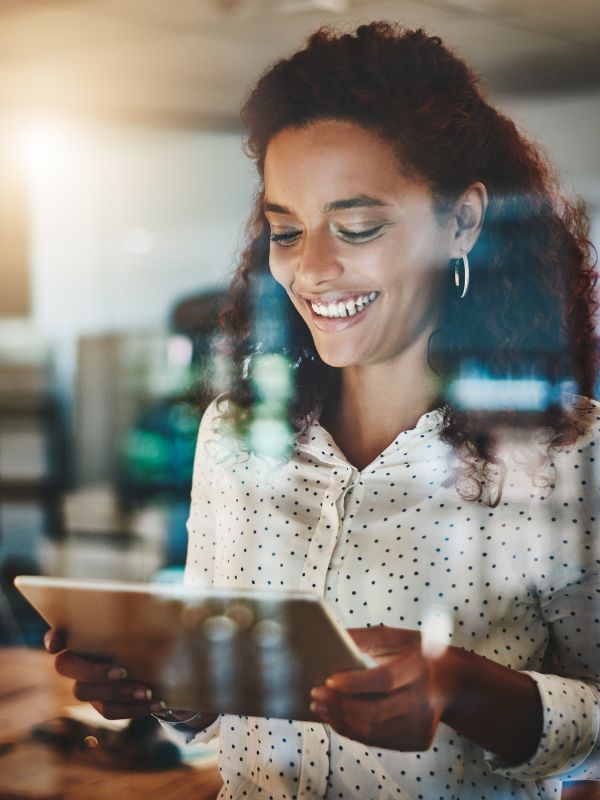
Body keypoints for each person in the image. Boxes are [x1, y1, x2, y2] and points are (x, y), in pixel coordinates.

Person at [46, 22, 600, 799]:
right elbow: (213, 702)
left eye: (359, 227)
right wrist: (162, 685)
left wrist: (465, 689)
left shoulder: (566, 455)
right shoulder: (234, 439)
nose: (311, 270)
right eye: (286, 231)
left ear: (462, 223)